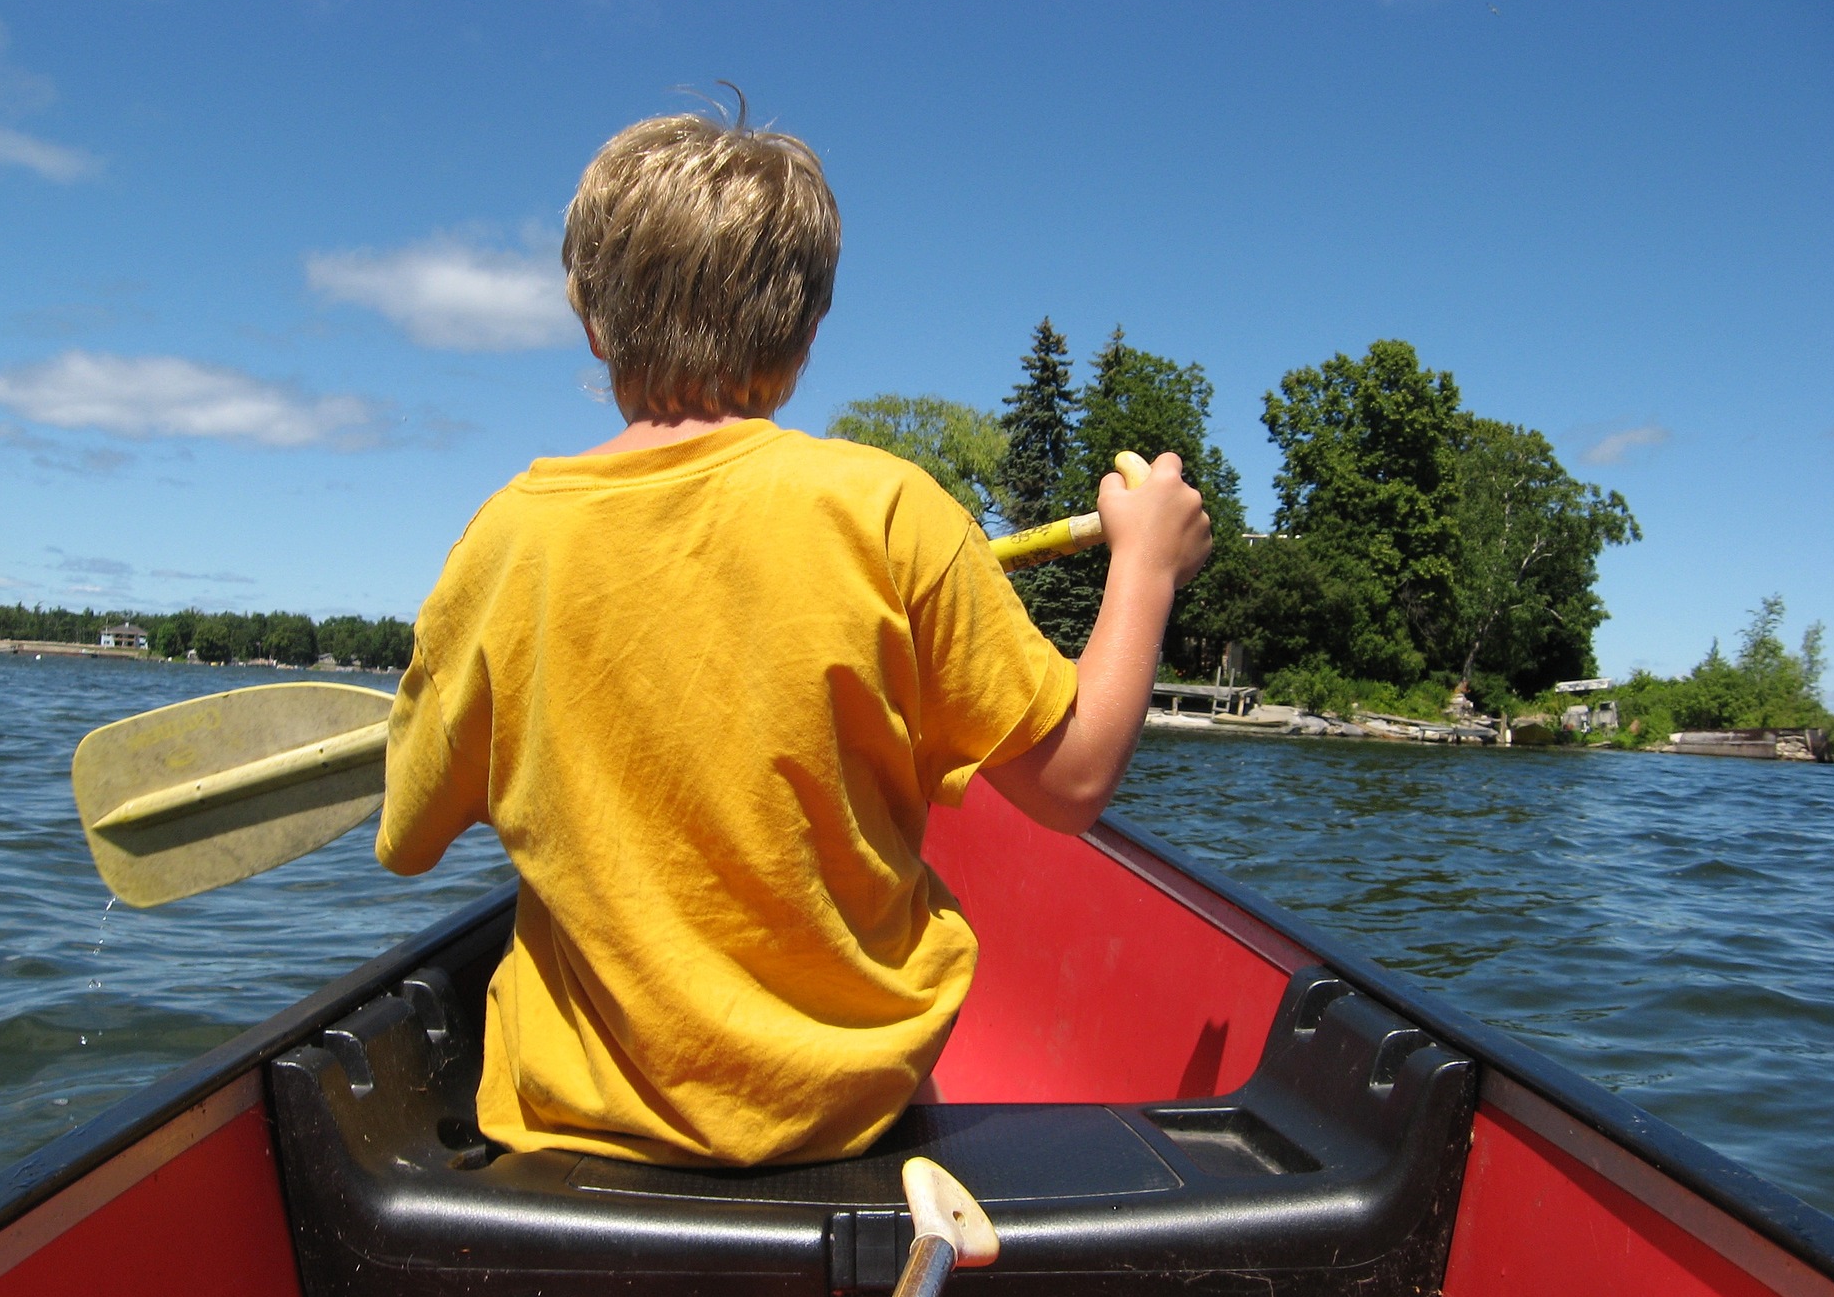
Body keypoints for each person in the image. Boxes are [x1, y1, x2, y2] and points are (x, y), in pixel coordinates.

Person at [375, 106, 1211, 1168]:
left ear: (592, 322)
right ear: (808, 332)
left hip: (581, 1133)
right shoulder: (890, 512)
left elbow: (407, 839)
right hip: (844, 1121)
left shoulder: (506, 541)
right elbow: (1075, 779)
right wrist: (1144, 566)